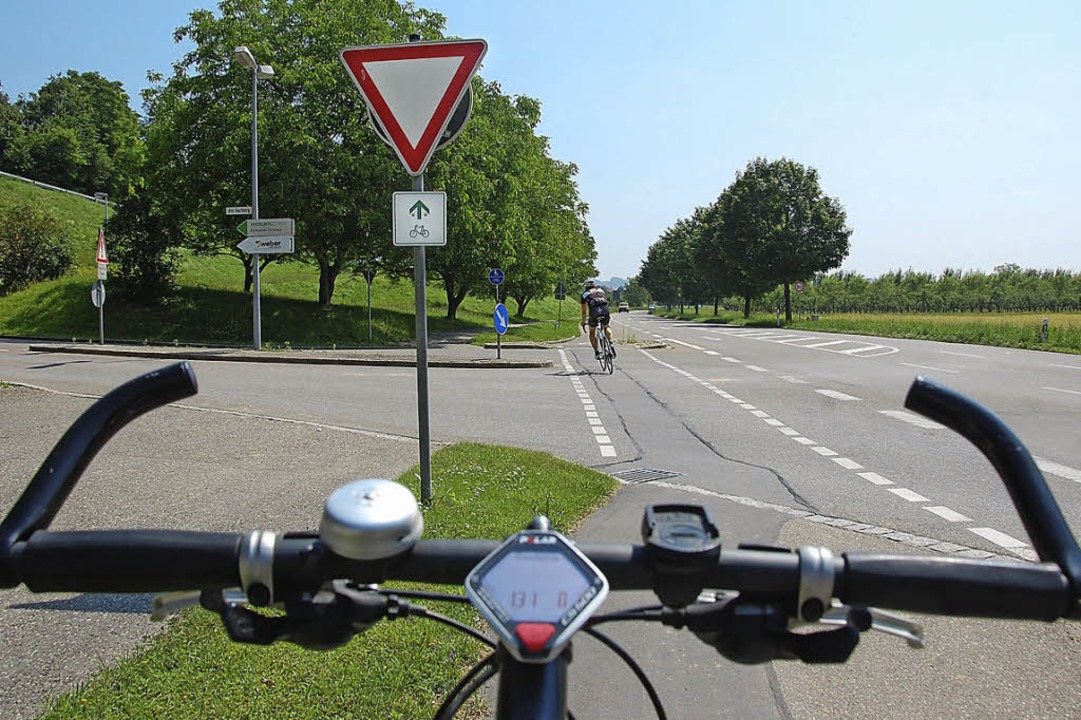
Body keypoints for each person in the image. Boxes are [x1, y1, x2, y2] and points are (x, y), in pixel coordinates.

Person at [579, 280, 615, 360]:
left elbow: (584, 311)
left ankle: (597, 352)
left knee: (592, 332)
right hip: (605, 310)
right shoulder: (601, 291)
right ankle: (611, 344)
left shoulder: (584, 294)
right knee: (606, 327)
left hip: (594, 312)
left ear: (585, 287)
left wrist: (583, 322)